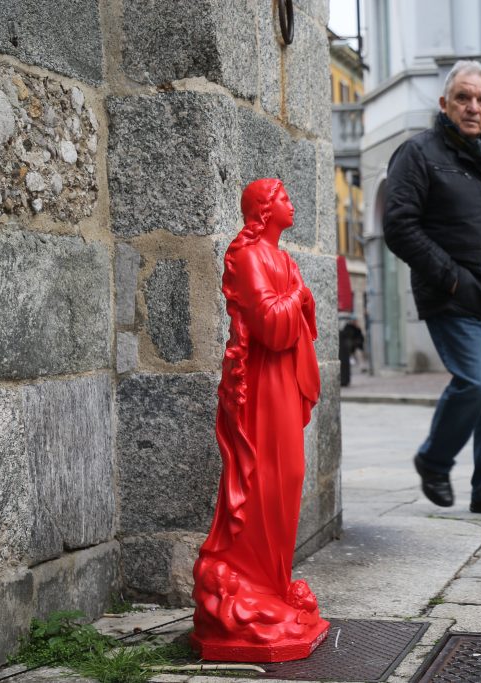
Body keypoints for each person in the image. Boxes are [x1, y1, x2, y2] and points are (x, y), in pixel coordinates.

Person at [383, 60, 481, 516]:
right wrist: (452, 277)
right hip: (453, 295)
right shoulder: (418, 153)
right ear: (445, 103)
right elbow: (399, 226)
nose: (473, 107)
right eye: (464, 98)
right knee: (477, 381)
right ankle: (434, 459)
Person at [191, 178, 329, 661]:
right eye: (285, 198)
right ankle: (253, 583)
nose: (292, 204)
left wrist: (298, 295)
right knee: (267, 479)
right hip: (262, 389)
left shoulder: (284, 260)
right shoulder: (249, 256)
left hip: (283, 384)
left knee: (289, 478)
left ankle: (273, 583)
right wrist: (299, 297)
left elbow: (294, 312)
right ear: (265, 210)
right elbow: (271, 326)